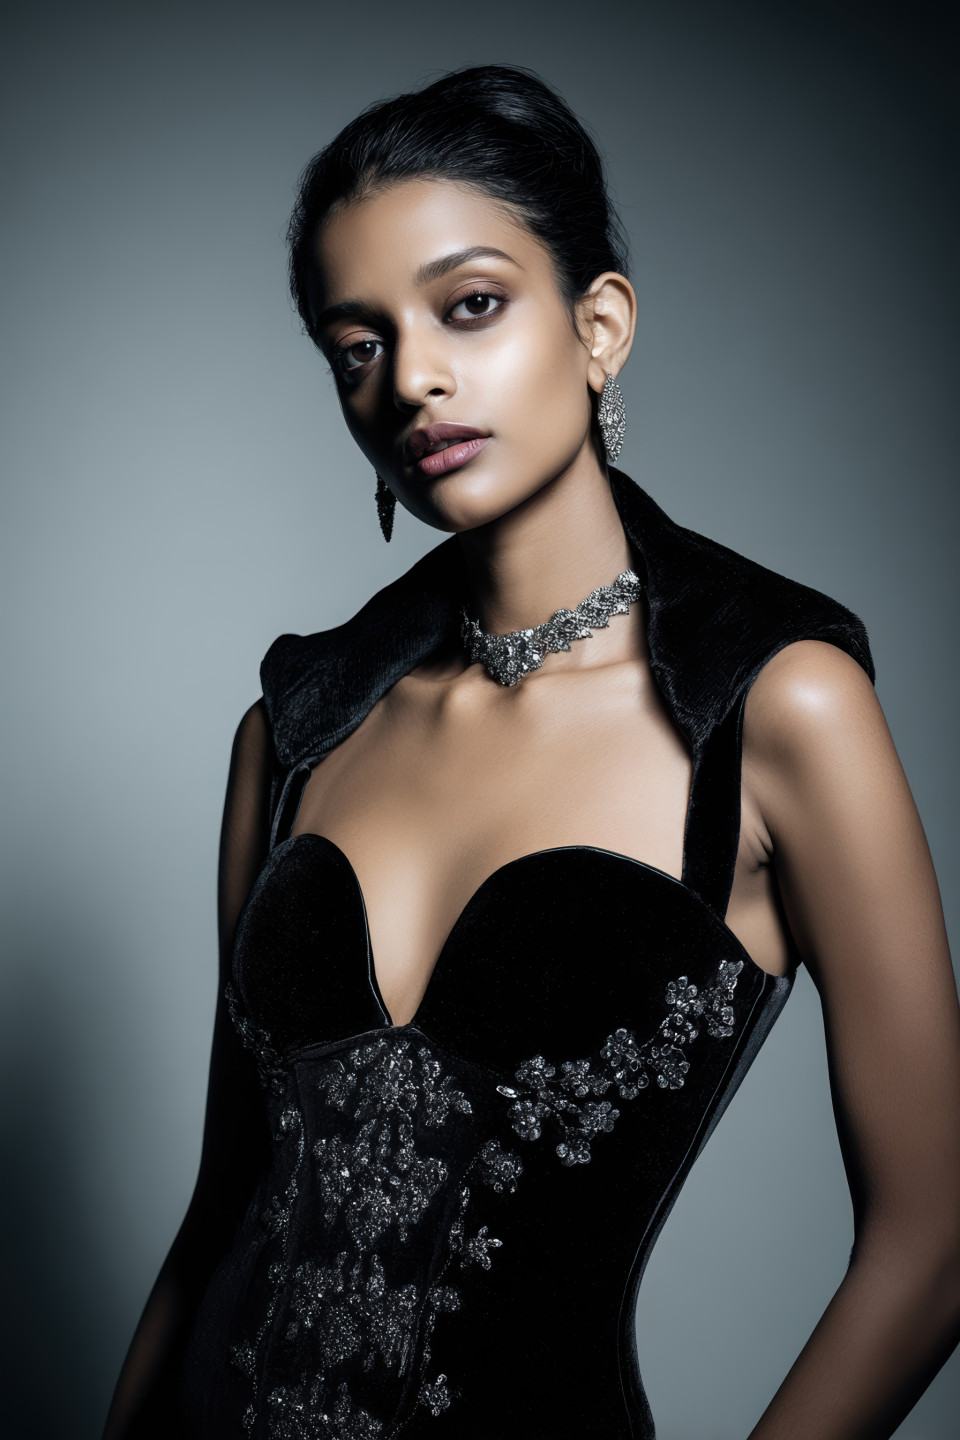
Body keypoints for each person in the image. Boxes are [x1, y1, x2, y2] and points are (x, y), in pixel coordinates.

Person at [102, 64, 960, 1440]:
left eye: (473, 305)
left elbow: (936, 1240)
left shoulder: (776, 709)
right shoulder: (298, 729)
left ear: (599, 323)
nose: (416, 376)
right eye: (358, 342)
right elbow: (220, 1218)